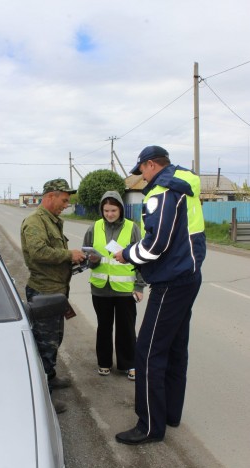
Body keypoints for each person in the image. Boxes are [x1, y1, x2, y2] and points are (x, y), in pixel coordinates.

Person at [114, 145, 206, 445]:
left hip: (171, 281)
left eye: (141, 170)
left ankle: (149, 426)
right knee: (175, 347)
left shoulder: (162, 192)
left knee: (148, 351)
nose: (141, 177)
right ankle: (170, 414)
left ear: (152, 165)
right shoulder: (185, 187)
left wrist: (127, 254)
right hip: (188, 275)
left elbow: (155, 245)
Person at [21, 178, 86, 413]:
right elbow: (39, 253)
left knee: (54, 340)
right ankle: (43, 399)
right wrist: (69, 255)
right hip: (44, 292)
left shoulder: (52, 221)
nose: (66, 205)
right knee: (44, 344)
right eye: (64, 200)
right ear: (50, 196)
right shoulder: (35, 222)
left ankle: (50, 377)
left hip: (56, 290)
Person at [83, 191, 145, 380]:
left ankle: (129, 364)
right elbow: (86, 256)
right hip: (100, 289)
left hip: (125, 289)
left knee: (126, 328)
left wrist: (139, 286)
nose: (109, 214)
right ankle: (104, 363)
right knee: (104, 327)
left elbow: (141, 258)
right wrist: (92, 260)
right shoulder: (94, 228)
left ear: (120, 209)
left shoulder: (132, 228)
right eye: (106, 210)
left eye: (113, 210)